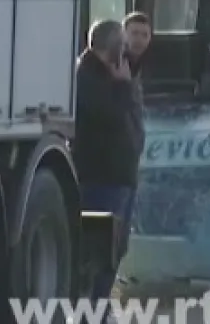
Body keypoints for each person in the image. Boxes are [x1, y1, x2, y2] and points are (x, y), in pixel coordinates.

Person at [72, 20, 144, 309]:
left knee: (116, 250)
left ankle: (98, 310)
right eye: (123, 43)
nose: (127, 50)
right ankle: (92, 312)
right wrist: (123, 85)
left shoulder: (115, 74)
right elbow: (108, 115)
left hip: (121, 175)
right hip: (101, 176)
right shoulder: (87, 75)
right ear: (112, 46)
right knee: (100, 253)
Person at [122, 11, 151, 79]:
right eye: (134, 33)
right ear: (122, 35)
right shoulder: (113, 63)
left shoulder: (153, 62)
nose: (139, 40)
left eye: (145, 35)